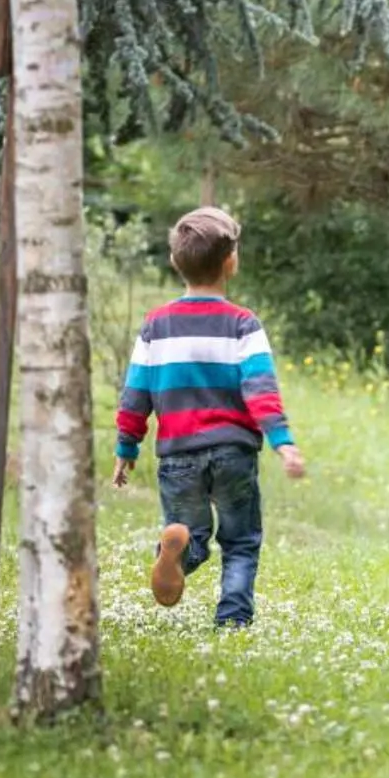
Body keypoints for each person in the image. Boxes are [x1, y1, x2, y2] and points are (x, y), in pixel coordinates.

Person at [113, 206, 306, 627]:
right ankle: (233, 619)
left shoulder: (156, 326)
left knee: (192, 534)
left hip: (179, 454)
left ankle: (176, 553)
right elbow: (261, 391)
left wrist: (126, 446)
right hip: (234, 453)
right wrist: (282, 442)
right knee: (240, 541)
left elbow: (136, 393)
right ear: (230, 261)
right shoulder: (243, 324)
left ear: (174, 261)